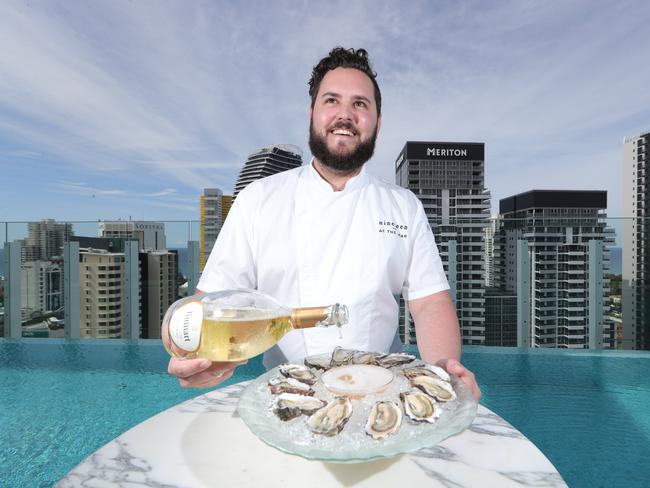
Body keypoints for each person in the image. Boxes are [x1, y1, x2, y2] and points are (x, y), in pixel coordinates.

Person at [166, 47, 481, 400]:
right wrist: (197, 355)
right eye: (331, 100)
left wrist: (441, 367)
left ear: (377, 121)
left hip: (380, 392)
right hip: (286, 393)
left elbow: (429, 303)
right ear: (312, 113)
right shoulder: (258, 199)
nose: (345, 115)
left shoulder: (403, 206)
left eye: (360, 104)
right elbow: (212, 304)